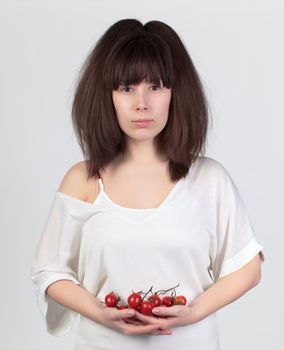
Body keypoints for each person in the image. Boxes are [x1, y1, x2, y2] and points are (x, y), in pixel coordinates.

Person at [30, 18, 265, 350]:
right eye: (127, 88)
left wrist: (195, 311)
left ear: (176, 92)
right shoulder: (84, 179)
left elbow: (248, 267)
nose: (142, 103)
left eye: (155, 86)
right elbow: (49, 272)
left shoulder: (209, 179)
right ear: (106, 95)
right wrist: (100, 312)